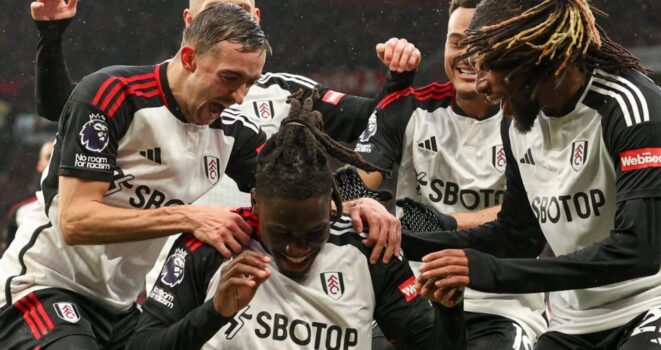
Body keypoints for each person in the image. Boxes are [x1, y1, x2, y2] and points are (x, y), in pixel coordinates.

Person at [30, 0, 419, 261]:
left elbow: (377, 124)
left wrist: (397, 83)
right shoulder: (133, 92)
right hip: (159, 265)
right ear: (191, 28)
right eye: (217, 12)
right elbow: (65, 111)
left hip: (244, 256)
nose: (237, 97)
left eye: (239, 12)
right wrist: (51, 38)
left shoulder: (283, 95)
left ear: (257, 19)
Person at [405, 0, 661, 349]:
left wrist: (491, 273)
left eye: (491, 66)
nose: (481, 83)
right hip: (575, 323)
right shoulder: (517, 124)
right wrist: (400, 242)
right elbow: (517, 236)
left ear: (537, 57)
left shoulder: (632, 106)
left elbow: (638, 251)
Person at [0, 4, 270, 349]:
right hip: (44, 286)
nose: (238, 97)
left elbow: (295, 183)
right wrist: (187, 216)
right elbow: (75, 222)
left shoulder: (233, 133)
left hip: (121, 309)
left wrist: (354, 199)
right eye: (230, 78)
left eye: (249, 83)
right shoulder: (113, 93)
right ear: (189, 59)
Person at [127, 92, 467, 350]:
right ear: (255, 203)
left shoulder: (368, 249)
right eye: (281, 232)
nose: (297, 247)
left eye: (315, 231)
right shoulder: (211, 244)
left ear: (334, 207)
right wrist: (214, 312)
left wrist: (450, 310)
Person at [354, 1, 546, 348]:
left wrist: (448, 222)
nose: (466, 55)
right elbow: (354, 182)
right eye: (457, 42)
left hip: (501, 302)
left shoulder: (533, 117)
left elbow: (533, 212)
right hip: (415, 293)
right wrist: (361, 204)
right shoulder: (409, 107)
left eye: (480, 43)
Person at [2, 140, 54, 254]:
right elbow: (9, 252)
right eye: (49, 156)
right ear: (39, 165)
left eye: (58, 155)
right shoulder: (19, 209)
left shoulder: (88, 204)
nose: (54, 161)